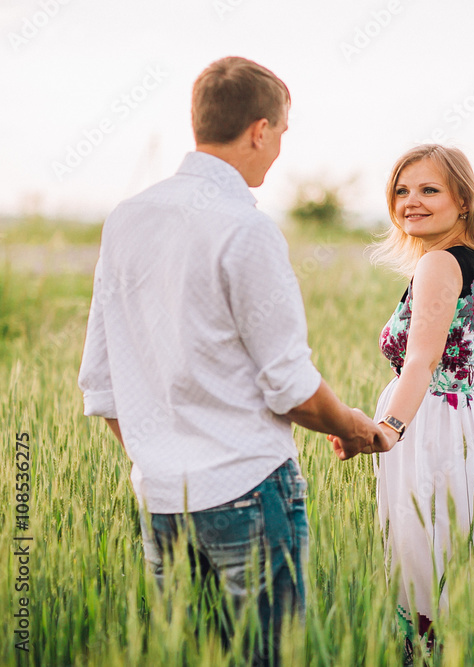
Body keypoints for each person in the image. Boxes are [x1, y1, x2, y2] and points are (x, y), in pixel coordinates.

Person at [77, 56, 389, 665]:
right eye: (282, 133)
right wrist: (354, 427)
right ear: (259, 129)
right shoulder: (247, 230)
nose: (278, 151)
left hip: (161, 500)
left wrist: (165, 460)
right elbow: (293, 389)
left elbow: (102, 383)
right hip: (250, 489)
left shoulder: (127, 220)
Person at [364, 144, 474, 654]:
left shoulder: (438, 264)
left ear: (463, 200)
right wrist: (471, 437)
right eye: (401, 190)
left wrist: (389, 430)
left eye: (428, 189)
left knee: (426, 579)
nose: (410, 201)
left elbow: (420, 363)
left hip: (426, 436)